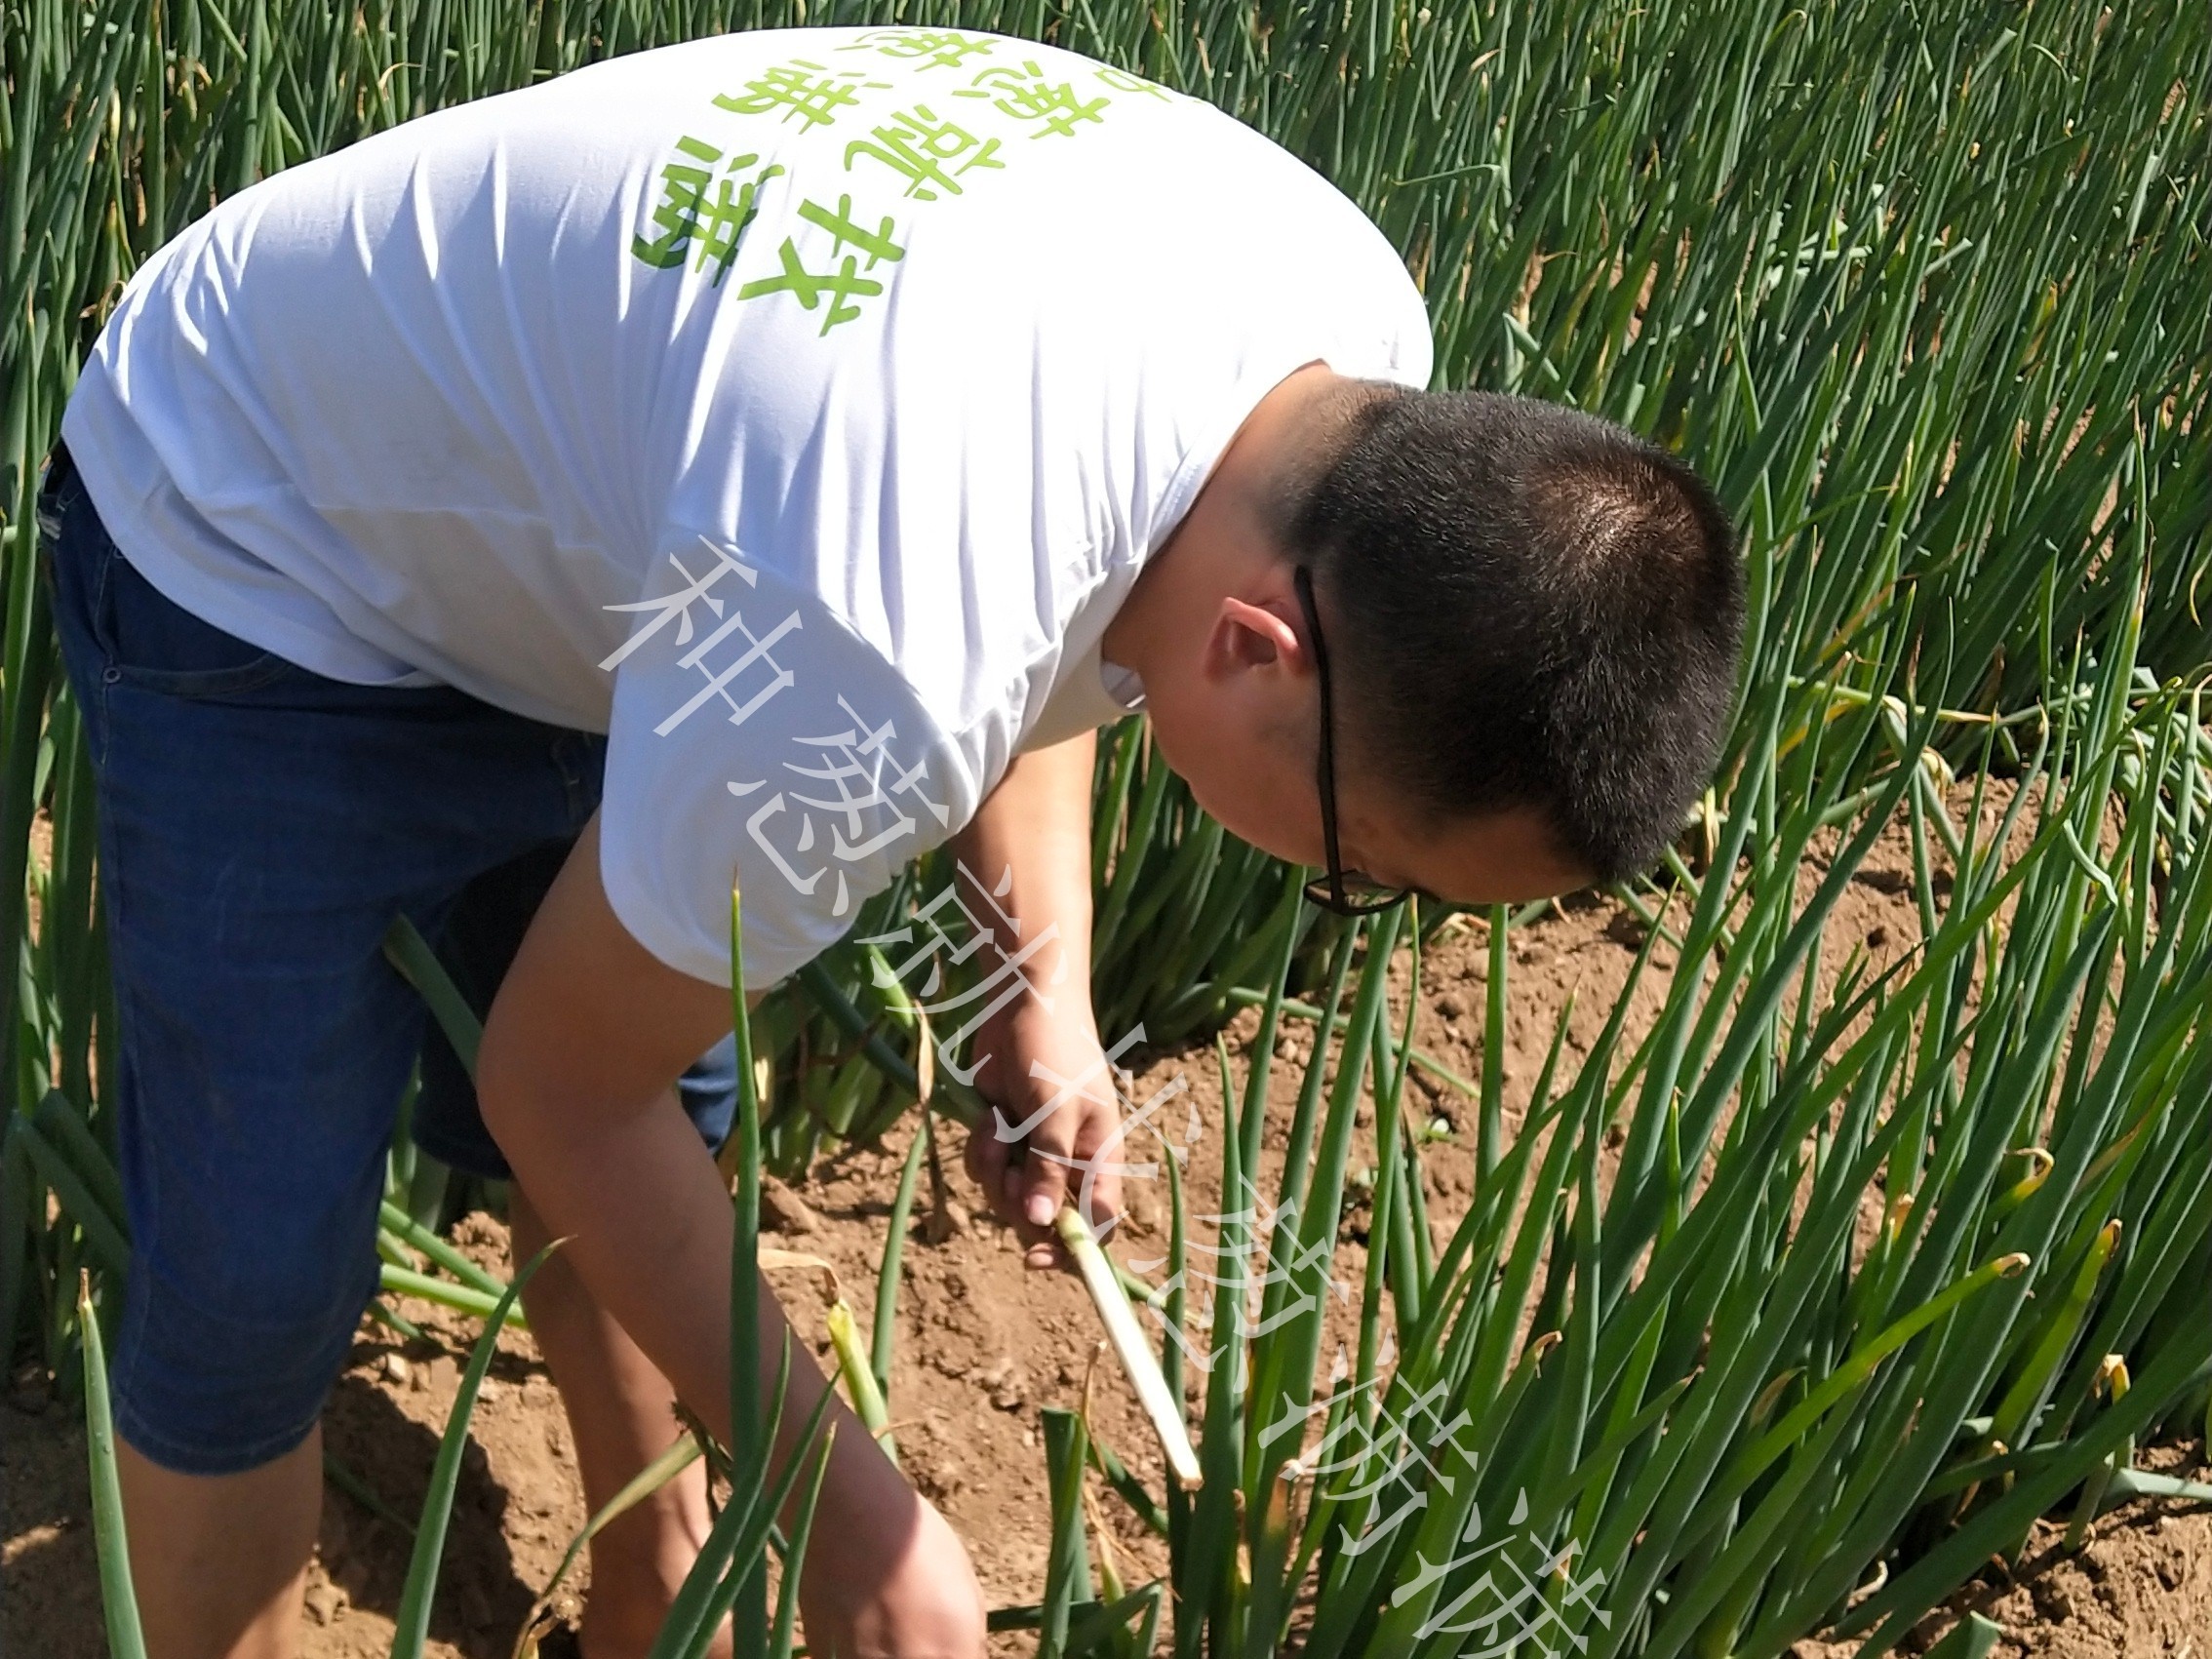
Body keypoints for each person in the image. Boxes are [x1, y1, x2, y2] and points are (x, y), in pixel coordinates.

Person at [34, 22, 1742, 1659]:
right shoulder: (868, 641)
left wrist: (1041, 984)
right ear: (1265, 651)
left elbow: (1079, 584)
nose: (1339, 896)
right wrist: (867, 1529)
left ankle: (653, 1588)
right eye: (1368, 864)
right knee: (260, 1279)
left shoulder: (1337, 351)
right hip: (257, 526)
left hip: (611, 518)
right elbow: (563, 1085)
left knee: (654, 1105)